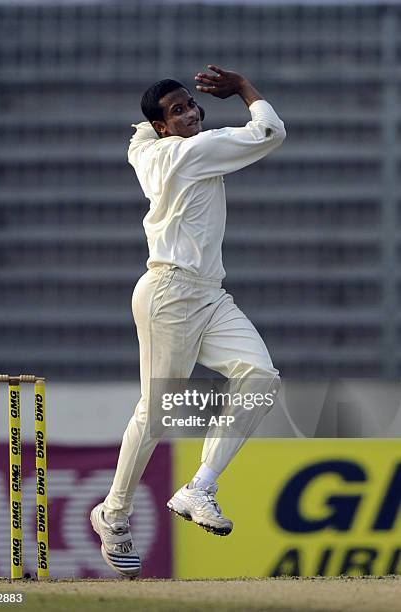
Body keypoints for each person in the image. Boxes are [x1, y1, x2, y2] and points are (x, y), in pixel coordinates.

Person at [90, 65, 286, 577]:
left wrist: (152, 121)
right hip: (169, 295)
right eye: (177, 111)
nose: (191, 113)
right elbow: (270, 131)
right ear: (163, 127)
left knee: (260, 379)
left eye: (190, 105)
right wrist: (243, 88)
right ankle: (112, 515)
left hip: (208, 294)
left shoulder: (147, 151)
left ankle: (198, 488)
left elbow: (136, 136)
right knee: (157, 413)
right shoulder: (193, 150)